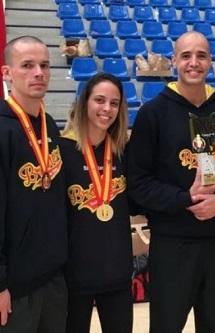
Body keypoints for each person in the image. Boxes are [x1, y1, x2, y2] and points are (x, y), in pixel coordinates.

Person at [126, 31, 215, 333]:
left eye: (202, 56)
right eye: (187, 56)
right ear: (174, 61)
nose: (194, 62)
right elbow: (138, 183)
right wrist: (184, 199)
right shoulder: (152, 114)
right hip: (172, 245)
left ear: (211, 63)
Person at [0, 36, 68, 332]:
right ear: (6, 73)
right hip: (9, 287)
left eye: (44, 65)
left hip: (51, 280)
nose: (39, 73)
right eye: (28, 65)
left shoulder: (48, 126)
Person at [59, 73, 133, 333]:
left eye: (114, 103)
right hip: (73, 276)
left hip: (117, 273)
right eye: (99, 100)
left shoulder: (123, 152)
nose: (107, 109)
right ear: (84, 102)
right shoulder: (62, 150)